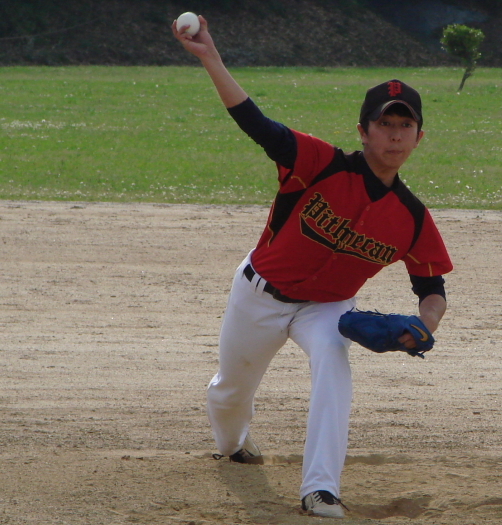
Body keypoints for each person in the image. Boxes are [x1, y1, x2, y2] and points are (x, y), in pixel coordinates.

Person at [172, 15, 453, 519]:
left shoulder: (412, 217)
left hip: (327, 308)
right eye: (384, 125)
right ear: (363, 131)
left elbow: (432, 286)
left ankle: (320, 488)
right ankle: (234, 443)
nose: (394, 136)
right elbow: (255, 123)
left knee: (333, 362)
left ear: (419, 137)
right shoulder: (319, 163)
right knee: (230, 393)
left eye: (404, 126)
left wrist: (422, 324)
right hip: (258, 294)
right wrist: (210, 57)